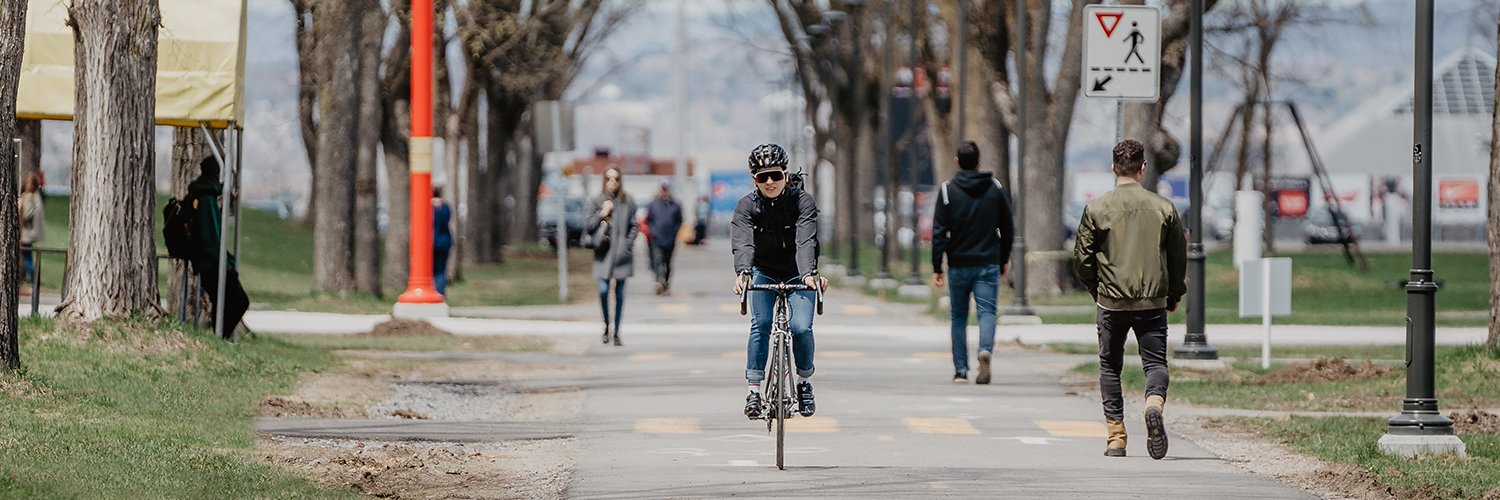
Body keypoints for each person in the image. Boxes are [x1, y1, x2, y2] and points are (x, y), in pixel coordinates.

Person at [1072, 139, 1187, 460]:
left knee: (1110, 366)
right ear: (1143, 168)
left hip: (1111, 302)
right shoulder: (1164, 208)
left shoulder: (1096, 208)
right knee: (1155, 363)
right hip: (1152, 301)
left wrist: (1096, 288)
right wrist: (1174, 293)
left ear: (1113, 168)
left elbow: (1082, 258)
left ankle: (1116, 438)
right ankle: (1153, 403)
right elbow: (1178, 257)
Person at [731, 143, 826, 420]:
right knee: (760, 324)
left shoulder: (802, 202)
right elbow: (743, 243)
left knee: (799, 328)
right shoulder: (746, 206)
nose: (770, 182)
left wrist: (809, 274)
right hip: (763, 270)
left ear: (785, 175)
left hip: (798, 271)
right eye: (762, 177)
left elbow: (806, 240)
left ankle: (804, 383)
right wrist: (743, 272)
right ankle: (754, 390)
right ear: (754, 180)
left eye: (775, 175)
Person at [930, 141, 1015, 385]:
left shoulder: (947, 190)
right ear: (979, 161)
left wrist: (937, 266)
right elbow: (1007, 227)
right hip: (988, 262)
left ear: (957, 161)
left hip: (957, 263)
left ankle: (960, 370)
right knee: (987, 312)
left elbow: (938, 232)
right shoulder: (995, 188)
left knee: (958, 317)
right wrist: (1003, 258)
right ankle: (984, 350)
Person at [189, 156, 251, 339]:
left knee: (221, 302)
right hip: (212, 263)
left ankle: (221, 336)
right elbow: (211, 238)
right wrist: (226, 262)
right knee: (240, 301)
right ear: (216, 173)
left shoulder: (204, 196)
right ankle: (222, 336)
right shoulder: (207, 199)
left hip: (207, 262)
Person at [585, 166, 638, 347]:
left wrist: (627, 245)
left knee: (620, 294)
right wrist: (603, 212)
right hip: (603, 253)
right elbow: (588, 226)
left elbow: (634, 226)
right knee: (603, 290)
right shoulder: (596, 200)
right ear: (604, 180)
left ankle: (617, 332)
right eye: (609, 178)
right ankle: (606, 325)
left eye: (616, 178)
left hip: (621, 255)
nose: (612, 182)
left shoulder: (628, 201)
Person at [645, 180, 684, 296]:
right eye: (663, 188)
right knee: (658, 261)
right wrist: (653, 231)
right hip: (657, 239)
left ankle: (665, 284)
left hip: (670, 239)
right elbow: (649, 220)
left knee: (667, 263)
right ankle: (659, 282)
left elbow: (679, 220)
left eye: (666, 189)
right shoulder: (654, 204)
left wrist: (674, 232)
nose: (664, 191)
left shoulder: (675, 205)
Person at [18, 171, 44, 296]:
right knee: (25, 259)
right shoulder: (36, 197)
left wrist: (20, 206)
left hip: (25, 234)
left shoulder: (29, 198)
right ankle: (27, 282)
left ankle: (33, 283)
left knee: (27, 259)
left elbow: (26, 215)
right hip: (29, 234)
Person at [432, 186, 454, 295]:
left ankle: (433, 292)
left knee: (431, 272)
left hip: (429, 243)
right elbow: (446, 220)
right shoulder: (445, 206)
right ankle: (440, 295)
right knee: (441, 271)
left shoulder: (426, 206)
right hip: (444, 242)